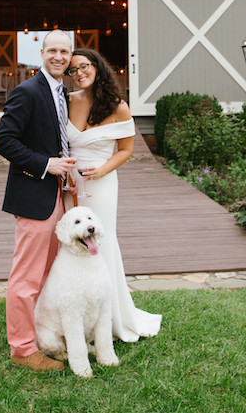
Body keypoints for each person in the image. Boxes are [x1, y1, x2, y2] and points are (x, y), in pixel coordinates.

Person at [65, 47, 162, 342]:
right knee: (71, 248)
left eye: (84, 66)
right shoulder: (67, 102)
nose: (79, 73)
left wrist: (103, 170)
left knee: (100, 247)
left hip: (102, 184)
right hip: (70, 186)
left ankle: (110, 320)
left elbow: (126, 150)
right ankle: (77, 319)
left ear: (97, 67)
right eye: (73, 70)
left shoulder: (118, 106)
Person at [0, 29, 76, 372]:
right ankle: (23, 349)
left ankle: (40, 335)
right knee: (26, 278)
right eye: (52, 50)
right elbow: (3, 141)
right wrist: (47, 164)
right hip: (33, 193)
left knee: (45, 274)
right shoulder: (26, 91)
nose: (59, 56)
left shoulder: (61, 92)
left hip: (55, 194)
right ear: (41, 53)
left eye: (65, 52)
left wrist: (66, 165)